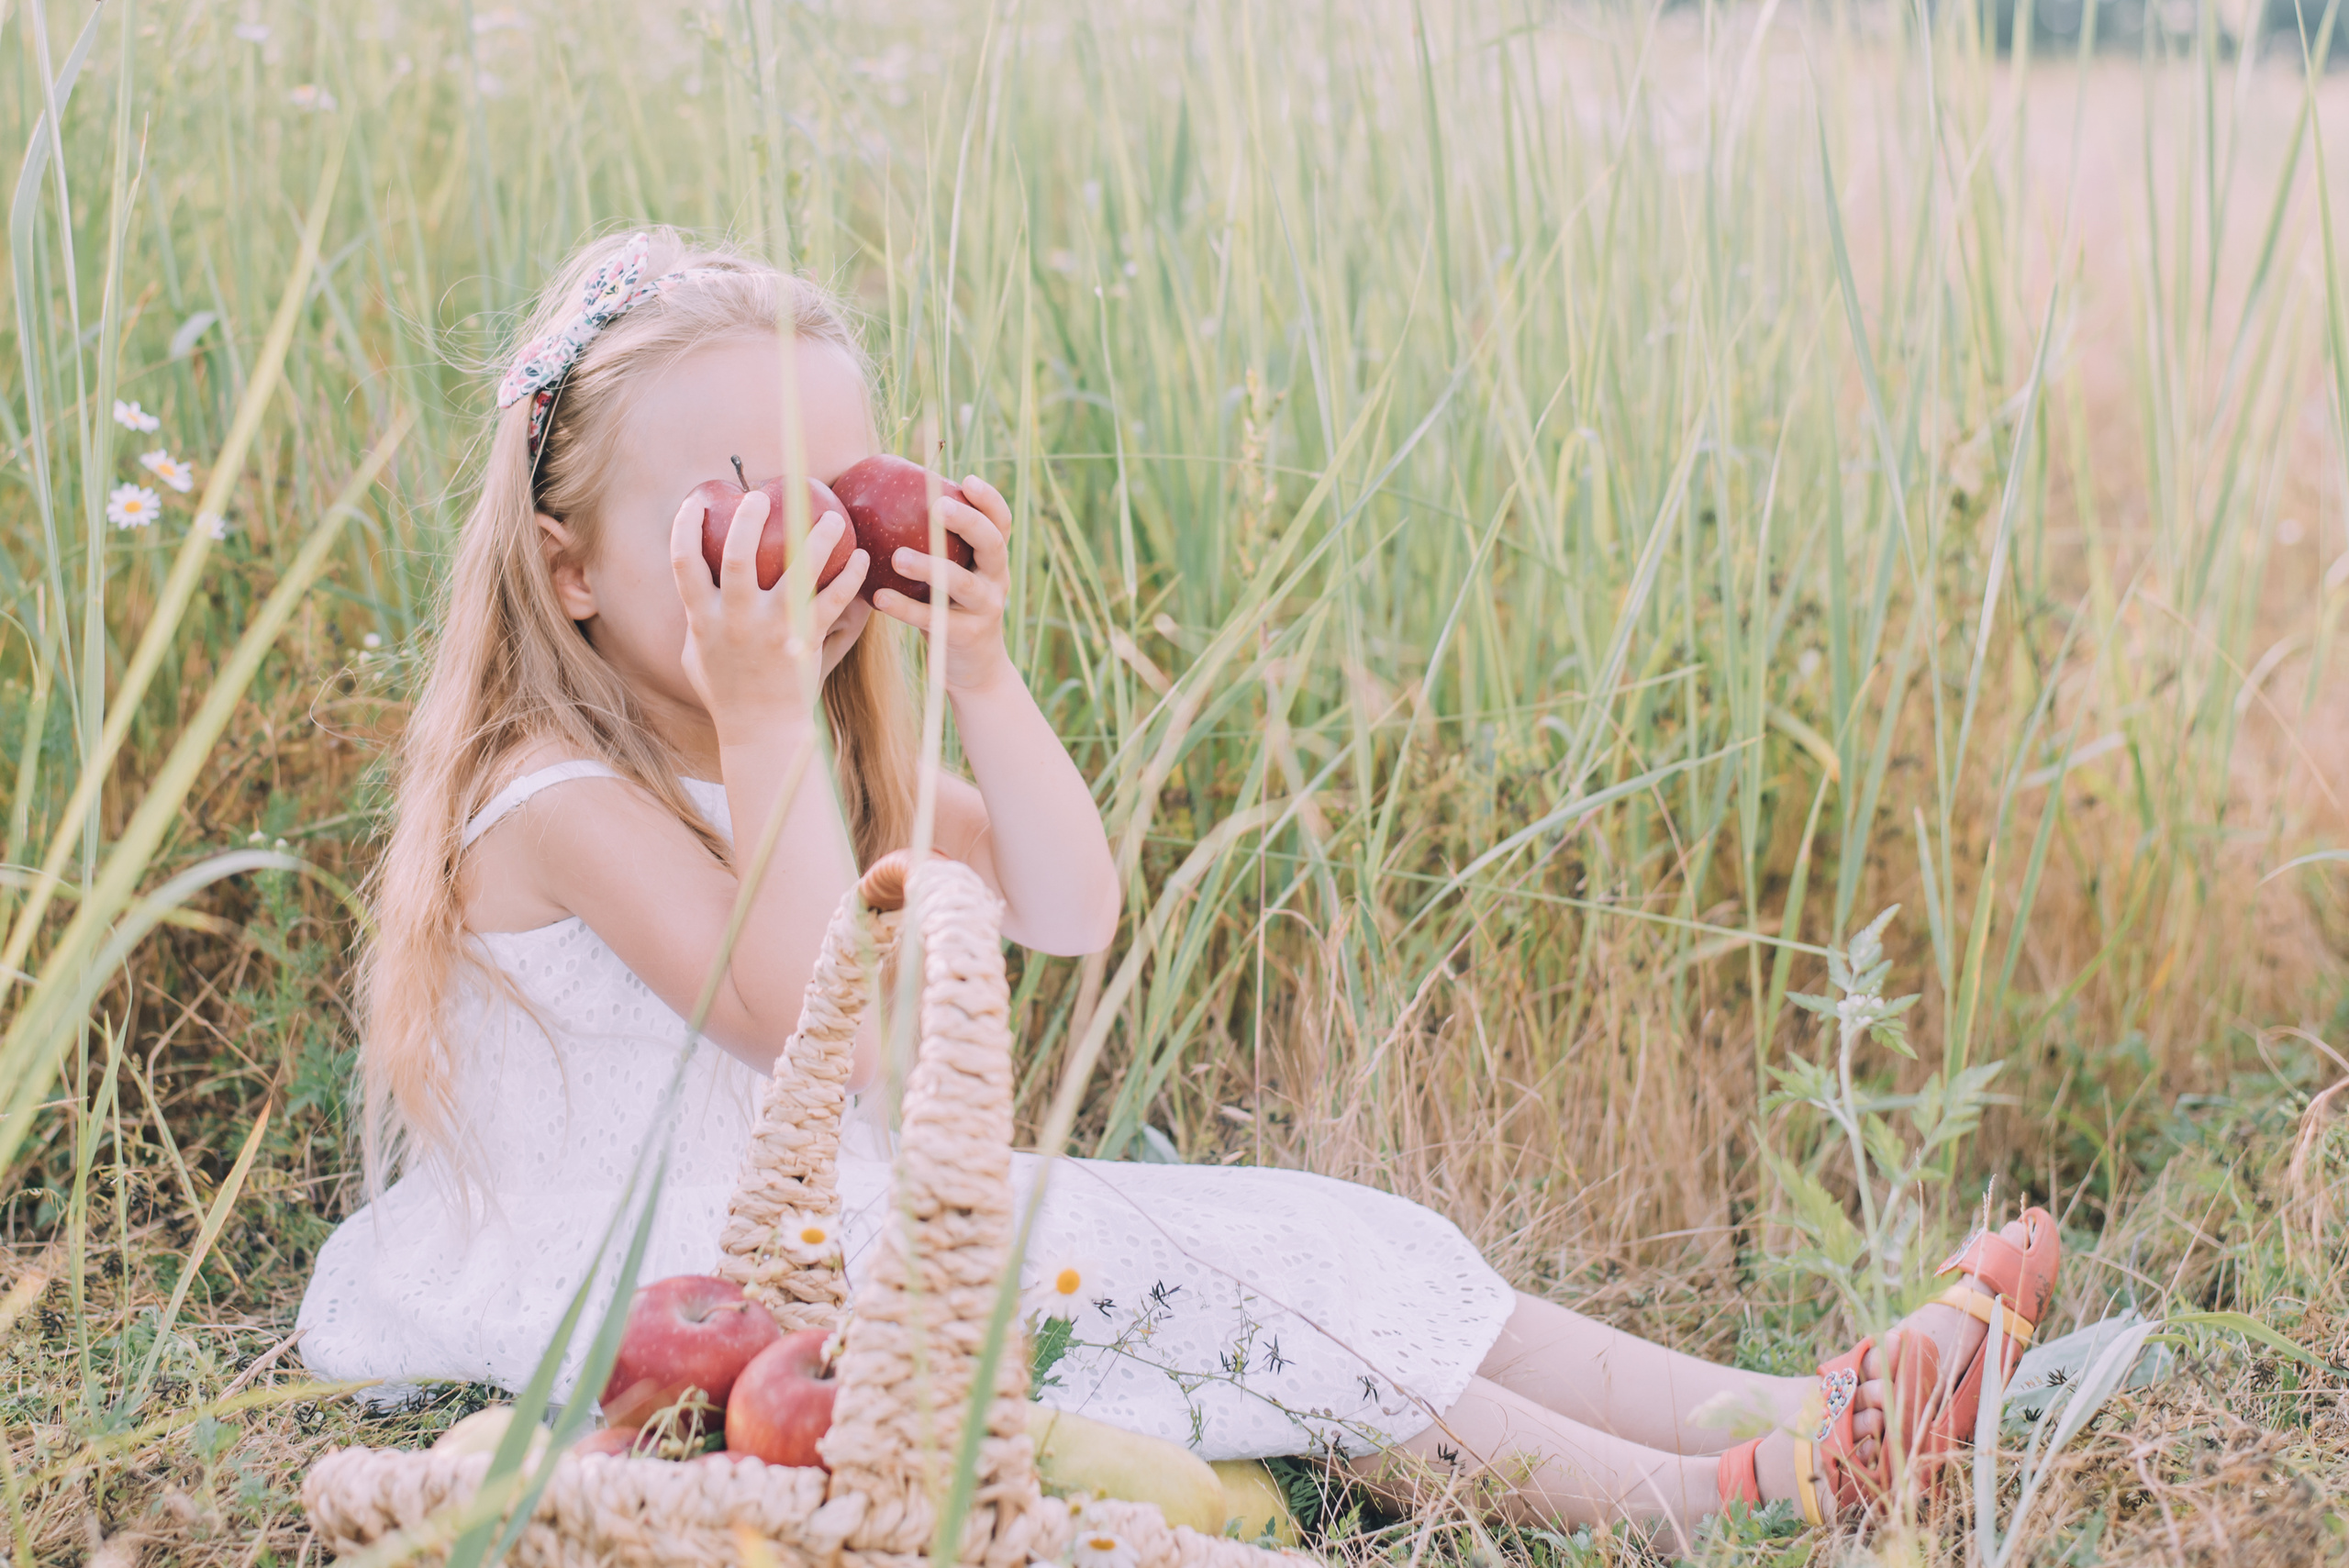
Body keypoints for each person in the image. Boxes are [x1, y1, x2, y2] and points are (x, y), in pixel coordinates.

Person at [295, 228, 2061, 1539]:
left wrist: (977, 670)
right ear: (569, 566)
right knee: (1190, 1283)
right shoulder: (545, 796)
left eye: (834, 488)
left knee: (1320, 1231)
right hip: (652, 1286)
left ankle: (1794, 1406)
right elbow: (795, 1027)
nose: (810, 535)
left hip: (849, 1231)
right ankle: (1699, 1502)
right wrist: (770, 715)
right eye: (730, 495)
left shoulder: (820, 758)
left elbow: (1070, 906)